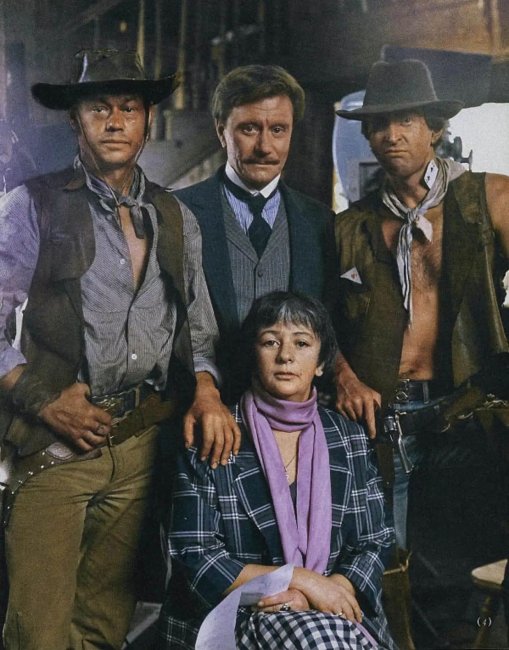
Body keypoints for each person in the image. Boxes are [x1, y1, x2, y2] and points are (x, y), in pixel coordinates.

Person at [0, 48, 239, 650]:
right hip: (52, 447)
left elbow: (200, 330)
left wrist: (207, 391)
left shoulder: (175, 215)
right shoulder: (31, 205)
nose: (114, 121)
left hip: (139, 447)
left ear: (147, 121)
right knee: (38, 633)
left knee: (105, 627)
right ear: (74, 120)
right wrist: (41, 399)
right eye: (98, 108)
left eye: (128, 108)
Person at [334, 58, 509, 647]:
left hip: (468, 411)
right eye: (379, 124)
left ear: (434, 127)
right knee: (388, 568)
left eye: (405, 120)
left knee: (473, 567)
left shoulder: (488, 197)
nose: (392, 135)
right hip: (386, 420)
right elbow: (317, 323)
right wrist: (343, 375)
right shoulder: (353, 226)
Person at [157, 291, 395, 650]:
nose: (285, 356)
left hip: (334, 610)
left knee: (321, 638)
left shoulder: (348, 437)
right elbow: (196, 557)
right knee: (316, 641)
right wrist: (300, 581)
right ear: (253, 353)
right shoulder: (216, 433)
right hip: (237, 615)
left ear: (321, 363)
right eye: (271, 342)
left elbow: (374, 540)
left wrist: (330, 591)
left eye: (302, 343)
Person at [174, 65, 337, 403]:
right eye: (249, 128)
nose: (265, 146)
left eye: (278, 130)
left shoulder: (320, 221)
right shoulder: (178, 212)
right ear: (221, 131)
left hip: (293, 415)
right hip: (203, 408)